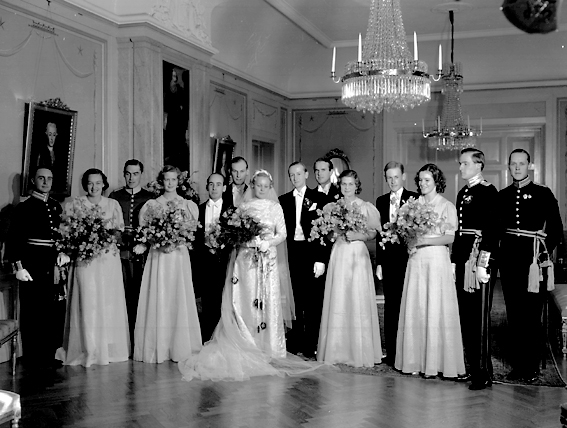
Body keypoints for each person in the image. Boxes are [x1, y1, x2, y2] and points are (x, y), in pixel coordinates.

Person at [179, 169, 321, 381]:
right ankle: (246, 342)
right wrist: (249, 241)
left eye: (265, 186)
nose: (262, 189)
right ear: (253, 186)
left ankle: (270, 347)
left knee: (267, 301)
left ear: (270, 187)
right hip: (246, 260)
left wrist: (268, 243)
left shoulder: (275, 207)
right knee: (245, 300)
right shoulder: (243, 207)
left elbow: (282, 233)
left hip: (268, 259)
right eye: (258, 185)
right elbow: (236, 234)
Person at [498, 149, 563, 382]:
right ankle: (518, 366)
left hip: (533, 263)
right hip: (509, 263)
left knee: (532, 316)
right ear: (508, 166)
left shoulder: (543, 193)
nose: (517, 168)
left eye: (522, 163)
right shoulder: (502, 195)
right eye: (513, 164)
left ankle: (532, 367)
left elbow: (555, 229)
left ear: (529, 166)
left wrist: (543, 251)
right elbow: (497, 230)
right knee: (514, 315)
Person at [395, 164, 465, 379]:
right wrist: (409, 240)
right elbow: (405, 233)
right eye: (420, 180)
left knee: (436, 306)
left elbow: (450, 237)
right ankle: (415, 360)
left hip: (436, 260)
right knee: (417, 306)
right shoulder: (412, 205)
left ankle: (437, 363)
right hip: (416, 261)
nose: (422, 184)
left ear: (436, 181)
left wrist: (423, 240)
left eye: (427, 180)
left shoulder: (446, 205)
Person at [56, 169, 130, 367]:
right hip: (85, 260)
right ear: (85, 184)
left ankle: (106, 348)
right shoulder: (75, 204)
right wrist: (83, 241)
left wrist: (105, 238)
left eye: (98, 183)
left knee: (107, 302)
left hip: (107, 260)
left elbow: (119, 232)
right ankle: (87, 347)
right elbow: (66, 232)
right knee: (87, 301)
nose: (94, 187)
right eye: (90, 183)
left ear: (104, 184)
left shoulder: (112, 204)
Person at [133, 165, 202, 363]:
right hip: (159, 257)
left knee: (178, 296)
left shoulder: (187, 205)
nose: (170, 183)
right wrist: (157, 241)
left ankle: (179, 346)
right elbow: (146, 232)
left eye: (173, 179)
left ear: (178, 181)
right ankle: (159, 346)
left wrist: (176, 239)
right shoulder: (152, 205)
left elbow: (190, 232)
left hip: (178, 257)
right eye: (166, 179)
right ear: (161, 181)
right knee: (159, 295)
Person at [317, 170, 383, 367]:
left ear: (357, 186)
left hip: (357, 254)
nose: (347, 188)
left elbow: (373, 233)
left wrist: (358, 236)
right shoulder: (332, 207)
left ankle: (359, 350)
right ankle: (337, 349)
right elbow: (327, 233)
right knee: (339, 296)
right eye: (344, 184)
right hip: (339, 252)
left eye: (350, 184)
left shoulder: (366, 207)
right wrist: (334, 233)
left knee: (357, 297)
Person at [5, 167, 64, 372]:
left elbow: (60, 235)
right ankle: (33, 357)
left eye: (49, 178)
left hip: (52, 265)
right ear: (33, 181)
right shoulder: (24, 207)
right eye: (41, 178)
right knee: (33, 312)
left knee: (52, 311)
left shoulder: (55, 206)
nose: (46, 182)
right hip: (32, 265)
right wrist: (18, 266)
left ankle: (48, 355)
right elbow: (13, 239)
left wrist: (63, 252)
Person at [451, 148, 499, 390]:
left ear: (479, 165)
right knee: (466, 316)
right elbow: (460, 232)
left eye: (465, 163)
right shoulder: (463, 192)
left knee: (479, 318)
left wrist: (483, 264)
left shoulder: (489, 191)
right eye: (460, 163)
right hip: (463, 260)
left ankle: (483, 373)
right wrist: (454, 261)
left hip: (479, 259)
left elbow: (492, 230)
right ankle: (472, 367)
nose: (461, 167)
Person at [279, 162, 329, 358]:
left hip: (311, 253)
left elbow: (325, 231)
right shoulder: (283, 200)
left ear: (306, 174)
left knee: (313, 301)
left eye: (298, 174)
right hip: (292, 253)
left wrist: (320, 259)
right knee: (295, 299)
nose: (295, 178)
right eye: (292, 175)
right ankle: (296, 340)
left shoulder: (319, 198)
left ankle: (310, 343)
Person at [375, 161, 418, 365]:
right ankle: (391, 352)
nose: (392, 181)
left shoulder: (414, 198)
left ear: (403, 177)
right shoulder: (381, 201)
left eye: (396, 177)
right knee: (391, 305)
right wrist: (379, 263)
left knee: (408, 304)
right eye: (389, 178)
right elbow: (379, 233)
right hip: (389, 260)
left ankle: (408, 351)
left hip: (409, 258)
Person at [109, 159, 154, 348]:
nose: (131, 178)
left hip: (143, 252)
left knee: (140, 294)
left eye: (135, 174)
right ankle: (122, 340)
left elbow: (155, 226)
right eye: (128, 173)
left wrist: (145, 242)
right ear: (123, 174)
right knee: (121, 294)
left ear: (141, 174)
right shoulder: (115, 196)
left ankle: (139, 340)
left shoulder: (150, 197)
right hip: (120, 252)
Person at [194, 172, 232, 341]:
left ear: (224, 188)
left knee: (222, 301)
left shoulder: (232, 211)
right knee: (206, 301)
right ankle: (206, 338)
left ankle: (221, 338)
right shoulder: (199, 209)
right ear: (207, 186)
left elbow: (235, 238)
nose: (214, 188)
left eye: (218, 184)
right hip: (203, 262)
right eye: (211, 184)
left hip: (224, 262)